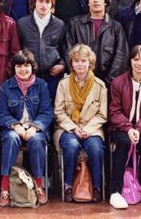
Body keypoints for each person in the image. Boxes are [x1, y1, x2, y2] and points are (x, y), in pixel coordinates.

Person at [0, 49, 53, 206]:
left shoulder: (41, 86)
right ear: (14, 68)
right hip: (13, 128)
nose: (23, 69)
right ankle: (5, 187)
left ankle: (38, 185)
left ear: (32, 67)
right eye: (19, 66)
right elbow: (1, 114)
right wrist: (15, 125)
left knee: (36, 141)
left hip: (35, 129)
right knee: (10, 139)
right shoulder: (5, 87)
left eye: (27, 65)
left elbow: (47, 112)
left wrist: (35, 127)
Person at [108, 45, 141, 209]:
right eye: (135, 59)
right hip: (121, 127)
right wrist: (128, 128)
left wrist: (139, 129)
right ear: (130, 61)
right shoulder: (118, 82)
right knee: (123, 143)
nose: (139, 63)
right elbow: (114, 111)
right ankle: (115, 191)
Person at [54, 44, 107, 203]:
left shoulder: (100, 86)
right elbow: (59, 111)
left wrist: (87, 129)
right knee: (71, 145)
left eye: (83, 60)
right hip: (67, 128)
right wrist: (74, 128)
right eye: (76, 61)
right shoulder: (63, 84)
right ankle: (68, 186)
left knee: (96, 147)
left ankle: (96, 187)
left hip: (92, 129)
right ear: (71, 63)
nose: (80, 64)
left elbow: (102, 115)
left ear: (90, 62)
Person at [65, 0, 128, 87]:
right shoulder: (75, 24)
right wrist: (79, 76)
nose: (95, 0)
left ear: (106, 2)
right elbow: (68, 52)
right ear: (88, 2)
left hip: (107, 84)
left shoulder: (116, 27)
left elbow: (121, 57)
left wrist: (108, 81)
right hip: (79, 81)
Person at [17, 0, 65, 99]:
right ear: (34, 2)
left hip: (52, 75)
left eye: (47, 2)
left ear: (52, 4)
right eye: (40, 1)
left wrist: (62, 65)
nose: (44, 5)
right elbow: (17, 48)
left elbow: (65, 48)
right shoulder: (22, 24)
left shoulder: (59, 24)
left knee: (51, 108)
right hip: (29, 74)